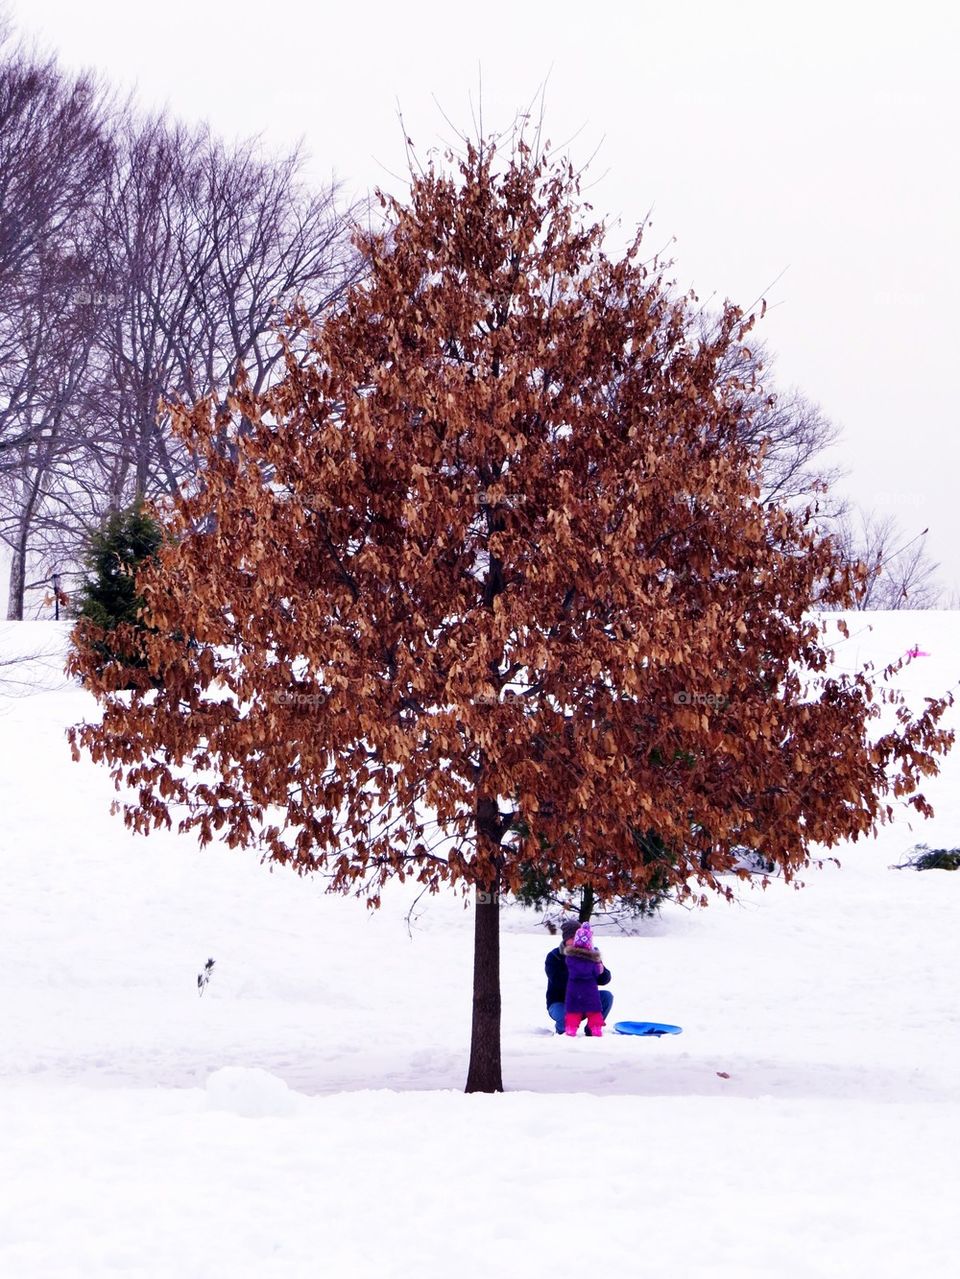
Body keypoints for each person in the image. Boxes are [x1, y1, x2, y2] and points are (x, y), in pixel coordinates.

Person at [545, 918, 613, 1035]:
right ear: (565, 939)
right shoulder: (554, 956)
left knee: (607, 996)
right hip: (560, 1002)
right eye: (572, 938)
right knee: (564, 1015)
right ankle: (563, 1030)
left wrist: (600, 971)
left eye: (577, 938)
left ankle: (592, 1029)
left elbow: (605, 979)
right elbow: (558, 982)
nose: (575, 942)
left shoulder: (589, 954)